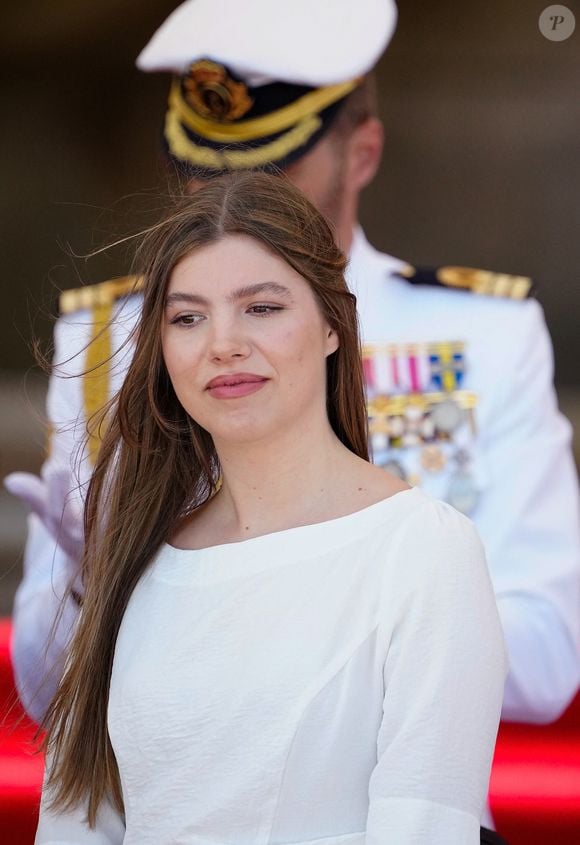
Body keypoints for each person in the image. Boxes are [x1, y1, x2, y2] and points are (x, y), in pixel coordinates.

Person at [7, 0, 580, 807]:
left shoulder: (482, 332)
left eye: (271, 170)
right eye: (204, 169)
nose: (232, 202)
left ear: (362, 151)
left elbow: (550, 658)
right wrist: (83, 582)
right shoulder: (112, 338)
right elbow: (50, 697)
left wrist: (333, 594)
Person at [34, 170, 506, 845]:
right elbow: (75, 820)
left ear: (333, 325)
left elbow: (425, 827)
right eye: (188, 316)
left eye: (262, 307)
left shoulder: (422, 551)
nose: (222, 342)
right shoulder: (135, 556)